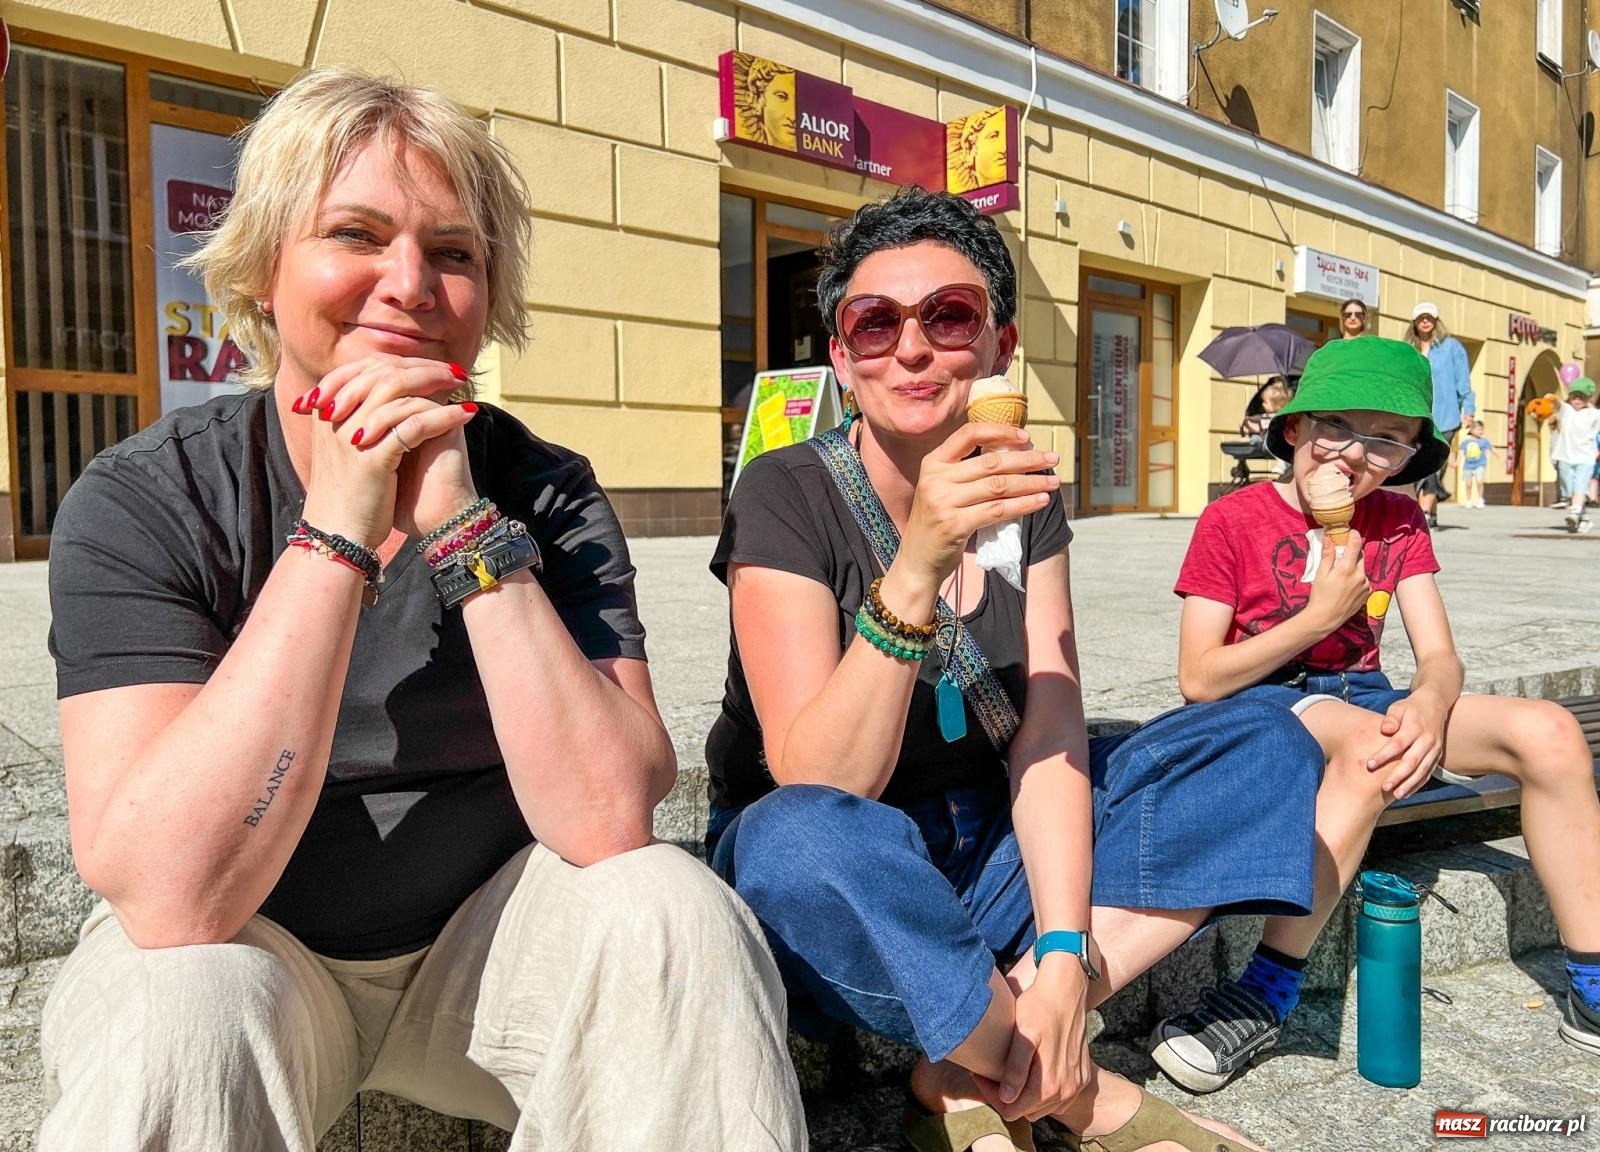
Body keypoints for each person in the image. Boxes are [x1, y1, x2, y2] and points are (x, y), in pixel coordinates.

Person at [39, 68, 805, 1152]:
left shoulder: (543, 488)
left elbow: (606, 821)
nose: (408, 283)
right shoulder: (145, 496)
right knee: (176, 1014)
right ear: (263, 268)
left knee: (673, 912)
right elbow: (170, 900)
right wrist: (335, 535)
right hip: (259, 955)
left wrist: (458, 526)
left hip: (491, 960)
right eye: (355, 234)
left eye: (453, 252)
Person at [706, 187, 1326, 1152]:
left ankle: (986, 1046)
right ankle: (1063, 1090)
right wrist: (917, 564)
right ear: (842, 356)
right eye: (875, 324)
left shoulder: (1025, 497)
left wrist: (1069, 957)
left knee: (1262, 739)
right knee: (795, 837)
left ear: (995, 346)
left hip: (985, 849)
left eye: (948, 317)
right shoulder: (784, 492)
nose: (912, 349)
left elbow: (1047, 730)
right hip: (847, 891)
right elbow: (822, 782)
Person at [1149, 336, 1600, 1093]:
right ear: (1292, 429)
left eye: (1386, 439)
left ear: (1409, 455)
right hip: (1271, 702)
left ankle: (1590, 979)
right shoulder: (1233, 519)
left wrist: (1429, 699)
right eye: (1337, 428)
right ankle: (1266, 990)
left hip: (1371, 695)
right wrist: (1318, 614)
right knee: (1372, 746)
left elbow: (1440, 656)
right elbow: (1198, 677)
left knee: (1549, 731)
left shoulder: (1396, 520)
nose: (1355, 456)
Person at [1407, 301, 1475, 530]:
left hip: (1445, 416)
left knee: (1433, 464)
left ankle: (1423, 513)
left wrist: (1469, 409)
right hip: (1417, 415)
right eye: (1421, 318)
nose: (1425, 321)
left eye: (1429, 317)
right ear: (1415, 322)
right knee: (1419, 463)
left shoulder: (1451, 347)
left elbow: (1463, 381)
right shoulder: (1409, 348)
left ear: (1436, 321)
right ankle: (1432, 514)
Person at [1550, 377, 1600, 533]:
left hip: (1585, 458)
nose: (1577, 399)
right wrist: (1551, 399)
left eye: (1581, 396)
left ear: (1589, 397)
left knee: (1580, 486)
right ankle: (1584, 519)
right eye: (1574, 395)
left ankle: (1575, 511)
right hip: (1565, 457)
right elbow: (1557, 404)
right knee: (1570, 490)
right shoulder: (1567, 410)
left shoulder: (1594, 414)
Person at [1239, 376, 1292, 441]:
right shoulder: (1267, 416)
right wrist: (1248, 420)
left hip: (1272, 446)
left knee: (1255, 439)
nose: (1262, 404)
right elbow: (1258, 419)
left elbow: (1264, 429)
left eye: (1265, 402)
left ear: (1277, 405)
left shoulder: (1278, 419)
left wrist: (1254, 427)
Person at [1456, 419, 1491, 509]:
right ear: (1472, 430)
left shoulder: (1484, 441)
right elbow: (1461, 453)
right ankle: (1468, 501)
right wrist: (1456, 463)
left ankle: (1480, 499)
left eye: (1482, 429)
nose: (1481, 431)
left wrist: (1501, 457)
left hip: (1480, 464)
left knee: (1479, 481)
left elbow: (1492, 449)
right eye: (1478, 429)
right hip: (1468, 466)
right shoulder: (1465, 442)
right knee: (1468, 484)